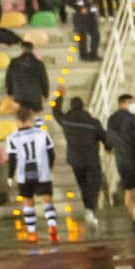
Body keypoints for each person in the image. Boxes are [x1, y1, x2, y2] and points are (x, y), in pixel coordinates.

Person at [5, 106, 62, 244]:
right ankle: (53, 230)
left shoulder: (12, 137)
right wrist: (50, 167)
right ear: (31, 119)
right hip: (43, 172)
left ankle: (32, 233)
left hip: (23, 174)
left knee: (28, 202)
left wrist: (10, 176)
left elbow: (12, 158)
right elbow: (51, 152)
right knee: (47, 200)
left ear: (17, 120)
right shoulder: (42, 133)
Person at [53, 92, 107, 229]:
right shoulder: (93, 122)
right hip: (91, 160)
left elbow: (55, 111)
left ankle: (89, 209)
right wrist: (108, 146)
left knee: (83, 185)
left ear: (71, 106)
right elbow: (104, 137)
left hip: (75, 160)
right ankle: (90, 209)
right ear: (83, 106)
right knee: (95, 185)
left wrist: (59, 96)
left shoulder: (66, 120)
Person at [106, 93, 135, 229]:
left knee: (128, 191)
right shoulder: (132, 118)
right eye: (131, 102)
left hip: (121, 160)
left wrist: (109, 148)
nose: (134, 105)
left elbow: (109, 139)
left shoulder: (111, 119)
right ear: (123, 103)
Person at [4, 41, 50, 112]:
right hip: (35, 95)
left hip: (19, 95)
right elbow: (44, 79)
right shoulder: (39, 63)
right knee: (37, 114)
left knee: (22, 116)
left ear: (22, 49)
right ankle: (38, 123)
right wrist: (45, 94)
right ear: (32, 49)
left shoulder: (14, 62)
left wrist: (9, 93)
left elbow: (8, 79)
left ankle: (24, 122)